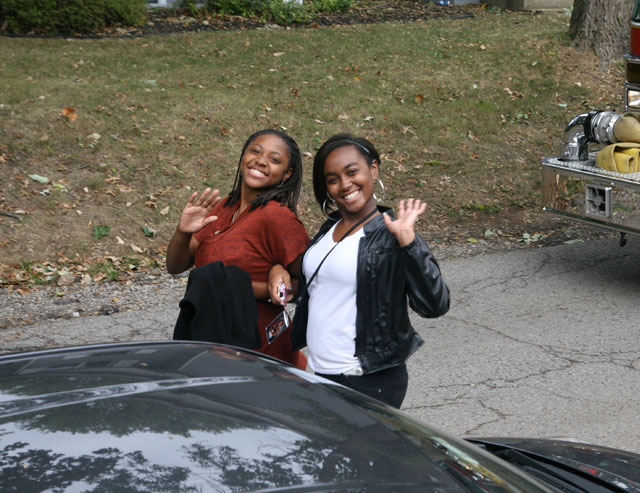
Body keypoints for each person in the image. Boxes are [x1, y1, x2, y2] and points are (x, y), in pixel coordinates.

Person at [267, 133, 449, 407]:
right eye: (333, 179)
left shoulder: (392, 234)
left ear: (373, 169)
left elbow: (435, 304)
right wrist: (278, 270)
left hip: (368, 380)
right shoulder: (329, 228)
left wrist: (410, 244)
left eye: (352, 172)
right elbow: (319, 287)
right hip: (324, 374)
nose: (345, 184)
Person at [166, 129, 309, 368]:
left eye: (274, 159)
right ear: (243, 156)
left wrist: (260, 286)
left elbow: (306, 285)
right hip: (214, 340)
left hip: (262, 356)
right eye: (255, 151)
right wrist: (183, 231)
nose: (261, 161)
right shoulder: (223, 207)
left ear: (287, 174)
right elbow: (175, 265)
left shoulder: (277, 218)